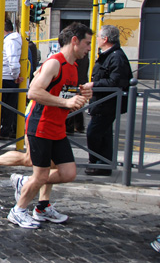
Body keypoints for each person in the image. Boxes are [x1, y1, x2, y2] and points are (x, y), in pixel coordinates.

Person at [7, 23, 93, 229]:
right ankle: (18, 211)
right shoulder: (55, 63)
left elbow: (63, 95)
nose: (89, 48)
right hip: (41, 125)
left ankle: (39, 203)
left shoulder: (73, 67)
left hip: (58, 127)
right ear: (74, 41)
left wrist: (82, 96)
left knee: (68, 172)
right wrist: (66, 102)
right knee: (42, 174)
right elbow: (34, 92)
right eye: (87, 43)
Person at [86, 25, 133, 176]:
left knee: (94, 133)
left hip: (107, 103)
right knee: (104, 134)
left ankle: (98, 163)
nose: (97, 39)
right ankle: (103, 165)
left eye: (99, 37)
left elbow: (115, 82)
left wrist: (94, 84)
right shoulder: (109, 54)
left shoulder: (116, 56)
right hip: (102, 102)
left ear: (105, 39)